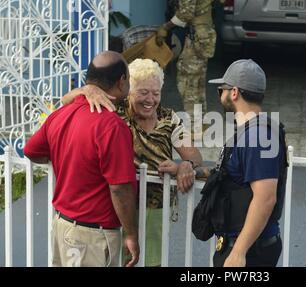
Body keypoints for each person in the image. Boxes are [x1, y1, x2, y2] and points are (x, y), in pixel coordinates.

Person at [61, 58, 203, 267]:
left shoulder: (169, 119)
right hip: (118, 206)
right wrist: (86, 91)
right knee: (119, 260)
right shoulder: (113, 111)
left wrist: (186, 165)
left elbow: (194, 156)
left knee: (152, 260)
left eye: (156, 93)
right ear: (128, 90)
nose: (150, 100)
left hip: (156, 208)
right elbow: (65, 101)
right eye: (143, 92)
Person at [24, 51, 140, 267]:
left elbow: (32, 151)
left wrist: (64, 159)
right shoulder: (112, 126)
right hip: (92, 237)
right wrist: (131, 234)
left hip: (63, 226)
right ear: (121, 81)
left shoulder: (61, 114)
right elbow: (120, 188)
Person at [206, 59, 288, 267]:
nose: (219, 95)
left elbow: (265, 198)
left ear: (234, 93)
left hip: (249, 251)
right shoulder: (250, 132)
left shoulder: (258, 136)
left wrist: (239, 252)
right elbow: (236, 179)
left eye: (221, 89)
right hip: (242, 246)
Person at [155, 0, 217, 132]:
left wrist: (165, 27)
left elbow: (186, 13)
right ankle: (201, 122)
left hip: (197, 36)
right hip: (203, 34)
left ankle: (195, 126)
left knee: (187, 81)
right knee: (198, 81)